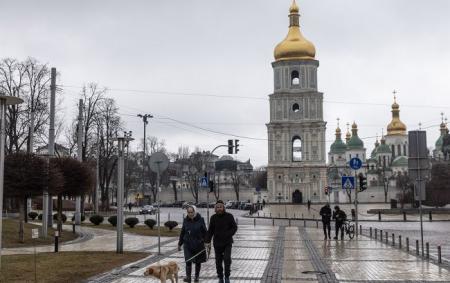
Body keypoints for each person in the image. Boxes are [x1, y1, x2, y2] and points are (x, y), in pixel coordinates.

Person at [205, 200, 237, 283]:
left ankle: (227, 277)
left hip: (227, 242)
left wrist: (229, 234)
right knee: (218, 262)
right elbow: (210, 230)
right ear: (215, 209)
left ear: (223, 208)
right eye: (217, 207)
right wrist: (207, 241)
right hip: (217, 243)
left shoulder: (229, 216)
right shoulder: (213, 218)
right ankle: (220, 277)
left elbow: (234, 227)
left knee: (227, 259)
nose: (219, 208)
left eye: (221, 207)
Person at [178, 205, 207, 283]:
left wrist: (206, 242)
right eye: (188, 212)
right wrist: (179, 243)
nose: (190, 214)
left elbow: (205, 232)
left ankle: (196, 277)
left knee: (198, 261)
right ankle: (188, 278)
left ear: (195, 211)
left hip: (198, 244)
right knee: (188, 261)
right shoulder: (185, 220)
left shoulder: (201, 220)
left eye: (192, 212)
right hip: (187, 244)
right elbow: (182, 232)